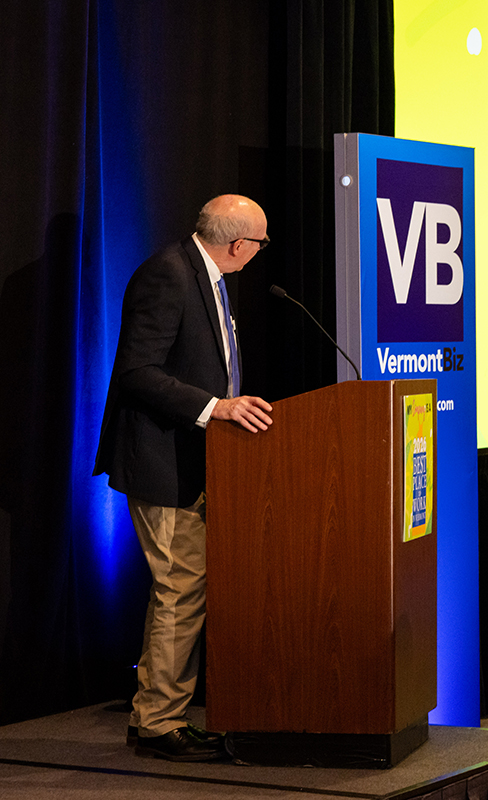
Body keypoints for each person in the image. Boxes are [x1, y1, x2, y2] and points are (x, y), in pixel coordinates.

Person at [93, 195, 275, 761]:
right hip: (161, 460)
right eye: (261, 242)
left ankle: (153, 712)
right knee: (180, 588)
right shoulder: (168, 275)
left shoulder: (206, 275)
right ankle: (159, 721)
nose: (261, 251)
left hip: (196, 460)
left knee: (184, 588)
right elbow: (136, 371)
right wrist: (217, 408)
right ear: (238, 244)